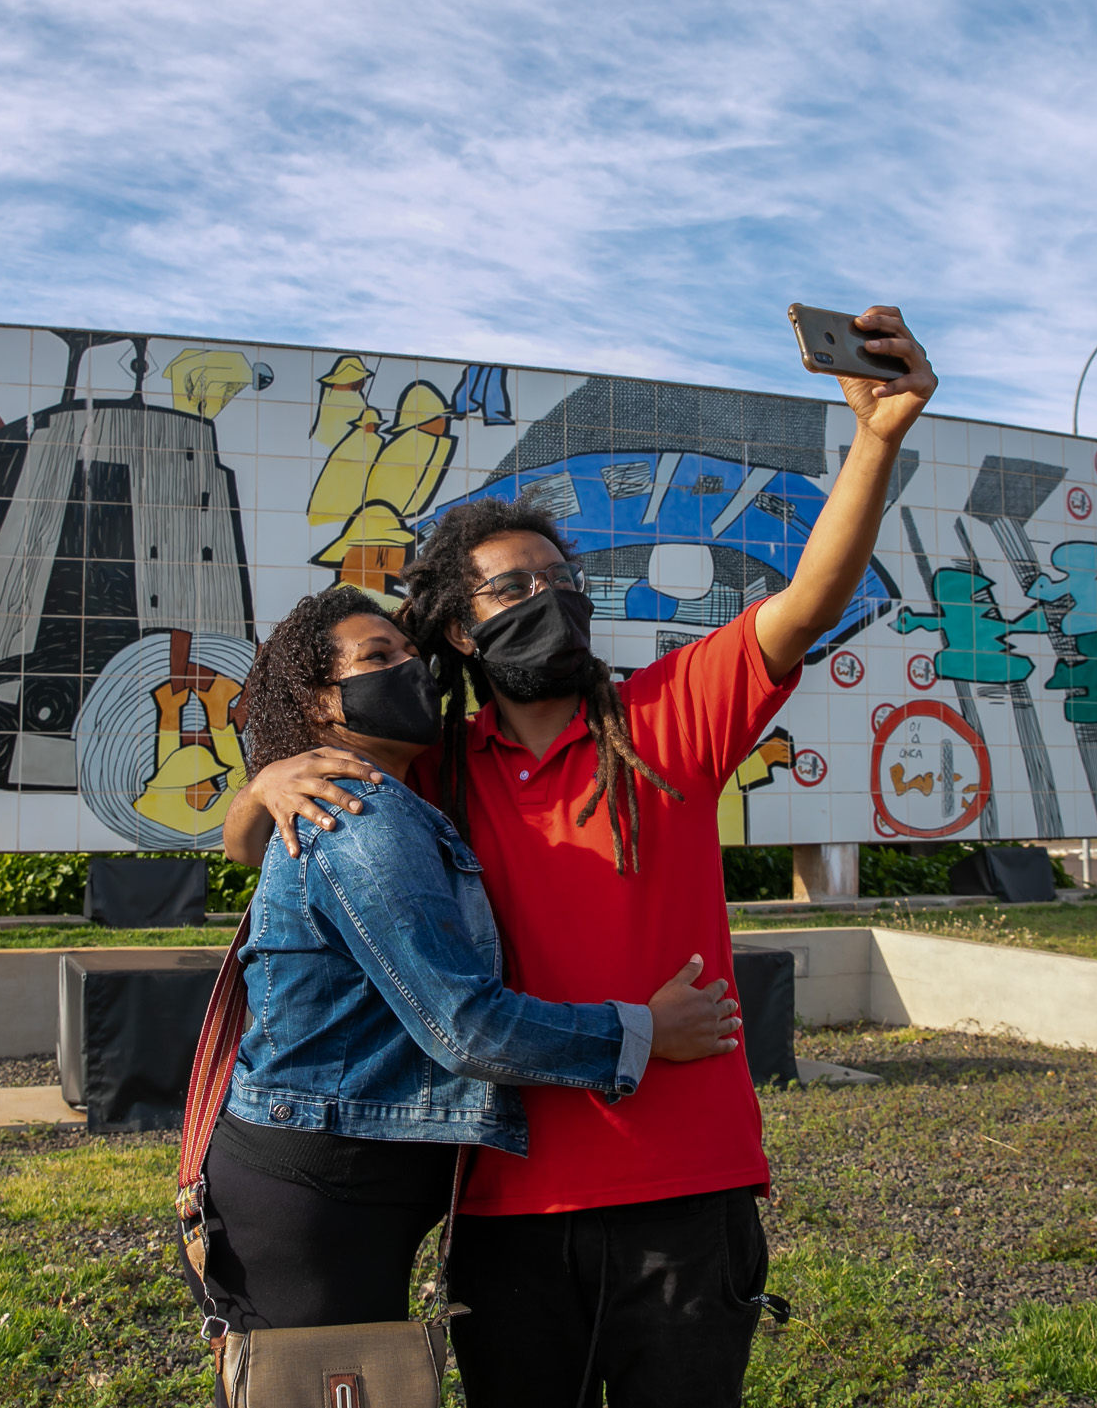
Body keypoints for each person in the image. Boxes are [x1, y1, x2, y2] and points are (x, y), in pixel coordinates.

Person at [223, 305, 937, 1406]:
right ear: (459, 632)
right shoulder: (430, 770)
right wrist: (268, 778)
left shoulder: (665, 720)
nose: (549, 595)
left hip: (684, 1195)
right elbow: (275, 843)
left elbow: (807, 603)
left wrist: (877, 438)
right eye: (512, 586)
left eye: (563, 578)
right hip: (504, 1207)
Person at [180, 583, 743, 1356]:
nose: (408, 671)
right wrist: (641, 1031)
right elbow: (464, 1025)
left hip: (338, 1177)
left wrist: (259, 784)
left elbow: (247, 847)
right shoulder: (356, 813)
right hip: (319, 1181)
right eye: (378, 657)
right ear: (317, 704)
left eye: (413, 653)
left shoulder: (392, 795)